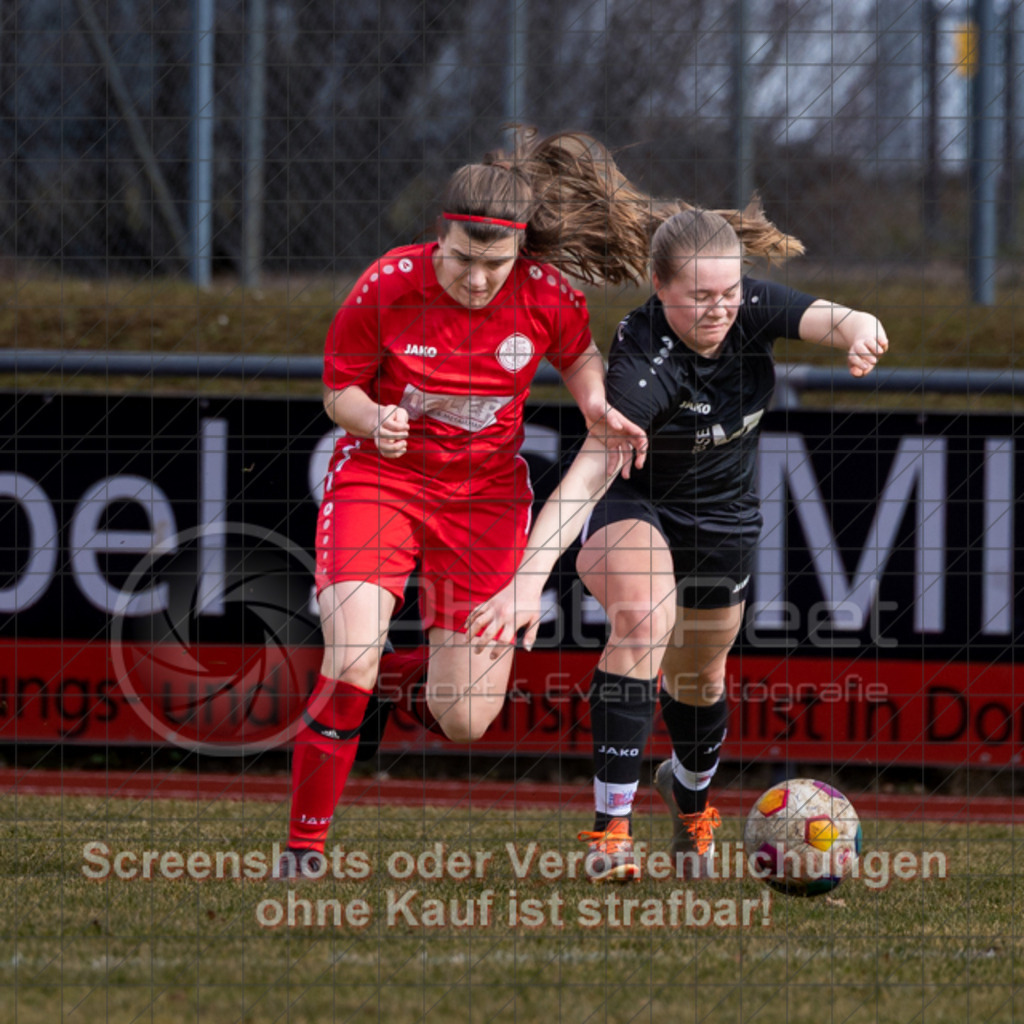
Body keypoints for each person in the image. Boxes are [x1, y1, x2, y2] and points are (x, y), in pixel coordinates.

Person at [277, 128, 664, 879]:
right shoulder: (387, 285)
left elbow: (579, 354)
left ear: (519, 252)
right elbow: (338, 390)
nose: (479, 280)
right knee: (349, 654)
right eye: (463, 260)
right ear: (438, 240)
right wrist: (373, 417)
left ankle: (386, 679)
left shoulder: (547, 295)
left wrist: (594, 406)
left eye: (495, 264)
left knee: (464, 719)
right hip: (381, 484)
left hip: (485, 500)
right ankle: (304, 849)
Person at [466, 201, 890, 882]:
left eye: (728, 293)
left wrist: (862, 331)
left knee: (700, 676)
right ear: (660, 290)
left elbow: (834, 318)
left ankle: (689, 799)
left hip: (724, 518)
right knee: (643, 618)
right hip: (637, 503)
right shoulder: (645, 368)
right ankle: (610, 831)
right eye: (700, 297)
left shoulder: (748, 304)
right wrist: (525, 580)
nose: (720, 309)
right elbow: (583, 481)